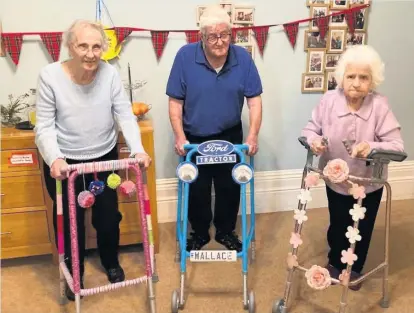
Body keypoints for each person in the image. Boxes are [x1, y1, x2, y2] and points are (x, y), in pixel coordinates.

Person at [34, 20, 151, 301]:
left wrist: (138, 149)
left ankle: (111, 261)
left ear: (104, 49)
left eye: (96, 46)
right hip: (65, 162)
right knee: (70, 221)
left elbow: (124, 115)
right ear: (70, 47)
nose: (90, 53)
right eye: (82, 45)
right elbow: (44, 127)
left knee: (108, 217)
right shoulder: (50, 76)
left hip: (103, 158)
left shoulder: (109, 74)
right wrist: (55, 158)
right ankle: (74, 272)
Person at [301, 45, 404, 290]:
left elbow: (397, 145)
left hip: (368, 182)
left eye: (364, 77)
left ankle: (354, 268)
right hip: (335, 178)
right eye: (351, 76)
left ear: (373, 81)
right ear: (342, 77)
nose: (356, 83)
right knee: (339, 221)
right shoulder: (328, 101)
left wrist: (371, 146)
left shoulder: (380, 105)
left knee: (361, 227)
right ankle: (335, 261)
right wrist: (314, 141)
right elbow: (309, 130)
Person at [166, 4, 263, 253]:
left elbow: (254, 100)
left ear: (231, 35)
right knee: (196, 188)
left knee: (229, 187)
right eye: (212, 36)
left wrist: (253, 134)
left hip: (230, 135)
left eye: (224, 35)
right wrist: (179, 136)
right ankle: (199, 233)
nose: (219, 41)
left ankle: (225, 231)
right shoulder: (185, 56)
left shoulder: (243, 58)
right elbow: (175, 102)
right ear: (202, 37)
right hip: (195, 137)